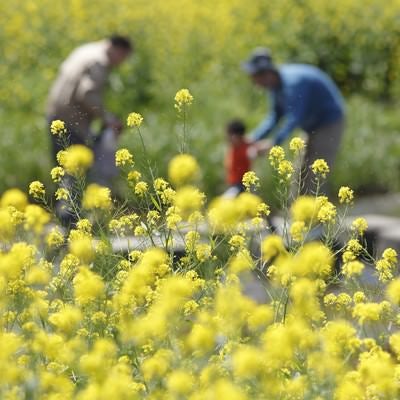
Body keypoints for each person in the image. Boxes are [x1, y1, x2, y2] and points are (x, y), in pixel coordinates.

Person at [46, 35, 133, 224]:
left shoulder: (85, 50)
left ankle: (67, 222)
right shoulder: (99, 61)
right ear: (118, 50)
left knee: (64, 169)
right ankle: (70, 221)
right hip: (71, 122)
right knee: (75, 172)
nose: (121, 63)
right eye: (123, 58)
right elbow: (87, 93)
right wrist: (108, 119)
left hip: (55, 116)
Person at [242, 48, 345, 194]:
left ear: (266, 74)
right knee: (299, 175)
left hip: (328, 123)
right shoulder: (275, 86)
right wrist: (253, 138)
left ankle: (317, 215)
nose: (253, 82)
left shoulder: (293, 83)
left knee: (314, 177)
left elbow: (294, 117)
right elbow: (275, 117)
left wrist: (273, 143)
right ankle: (298, 214)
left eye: (254, 77)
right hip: (311, 126)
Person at [223, 119, 269, 198]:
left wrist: (256, 150)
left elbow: (263, 147)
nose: (228, 138)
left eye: (230, 135)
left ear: (236, 136)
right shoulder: (239, 144)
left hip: (241, 186)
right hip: (235, 185)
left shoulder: (246, 148)